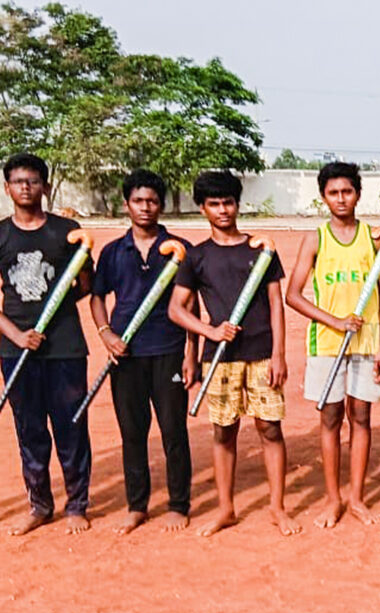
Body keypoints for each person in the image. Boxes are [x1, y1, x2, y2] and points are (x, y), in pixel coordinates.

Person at [168, 171, 300, 537]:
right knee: (224, 431)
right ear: (202, 208)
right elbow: (177, 309)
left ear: (238, 204)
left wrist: (279, 354)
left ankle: (277, 507)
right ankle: (226, 508)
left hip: (261, 353)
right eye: (214, 204)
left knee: (269, 429)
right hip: (221, 359)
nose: (223, 210)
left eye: (228, 202)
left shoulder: (261, 251)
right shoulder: (196, 257)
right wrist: (210, 331)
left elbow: (276, 303)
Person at [91, 168, 196, 534]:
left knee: (173, 432)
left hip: (168, 350)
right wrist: (106, 335)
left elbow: (191, 306)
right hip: (126, 355)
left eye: (152, 201)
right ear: (126, 204)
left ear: (161, 205)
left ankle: (179, 505)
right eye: (138, 200)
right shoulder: (112, 252)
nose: (146, 207)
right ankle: (137, 505)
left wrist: (191, 353)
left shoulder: (181, 251)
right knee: (132, 433)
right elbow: (97, 298)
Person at [285, 162, 380, 528]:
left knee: (361, 417)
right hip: (328, 344)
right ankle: (333, 499)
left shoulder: (374, 240)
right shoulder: (315, 239)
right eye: (333, 193)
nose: (341, 199)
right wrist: (335, 321)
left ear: (358, 194)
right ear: (323, 197)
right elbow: (293, 296)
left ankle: (357, 498)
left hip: (365, 343)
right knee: (330, 418)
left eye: (347, 191)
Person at [0, 152, 94, 536]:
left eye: (33, 181)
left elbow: (86, 284)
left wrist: (56, 310)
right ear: (8, 188)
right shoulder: (0, 235)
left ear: (45, 186)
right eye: (18, 181)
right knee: (30, 428)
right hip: (15, 349)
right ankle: (39, 504)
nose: (26, 187)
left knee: (71, 425)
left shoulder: (67, 231)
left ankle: (76, 505)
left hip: (65, 346)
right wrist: (17, 334)